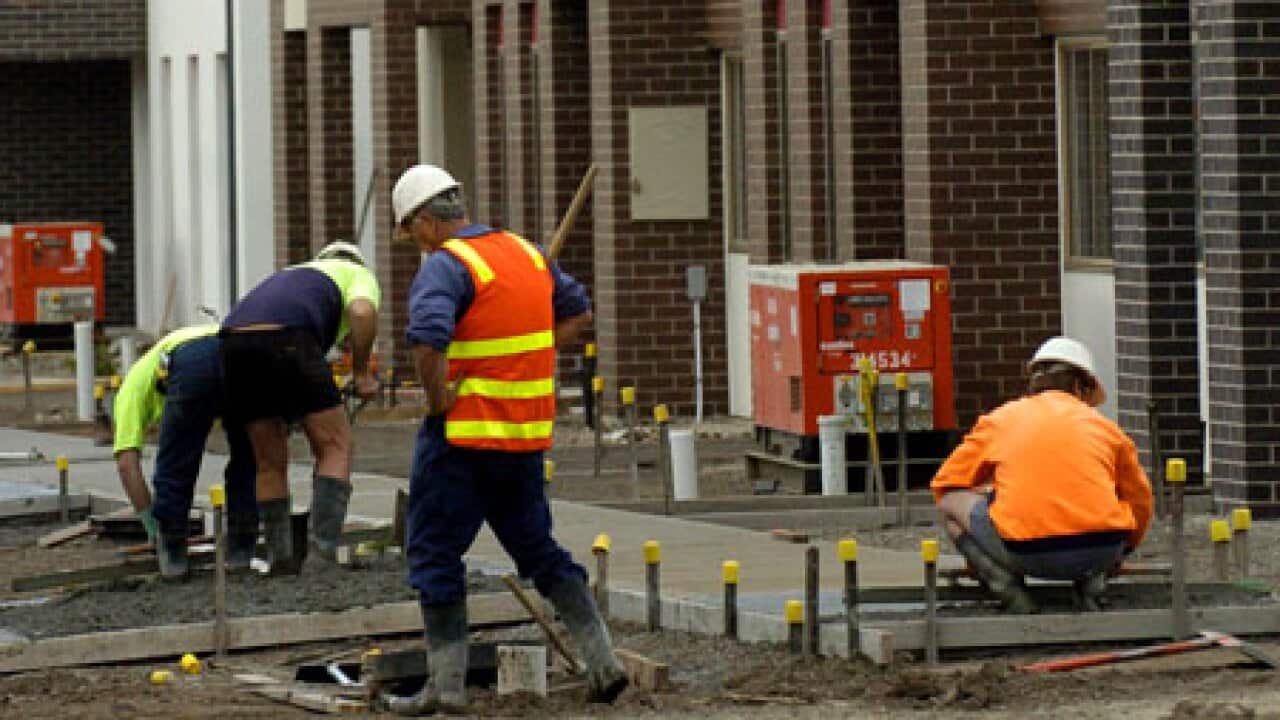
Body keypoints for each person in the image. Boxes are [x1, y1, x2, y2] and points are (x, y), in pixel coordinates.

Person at [385, 164, 625, 715]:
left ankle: (444, 688)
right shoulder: (525, 252)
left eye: (409, 232)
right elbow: (578, 314)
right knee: (538, 549)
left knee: (434, 552)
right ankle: (603, 662)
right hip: (523, 438)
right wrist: (527, 352)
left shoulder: (448, 266)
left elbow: (427, 340)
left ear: (425, 222)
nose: (413, 243)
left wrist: (439, 397)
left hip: (462, 439)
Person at [931, 337, 1153, 613]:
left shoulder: (1001, 421)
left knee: (951, 501)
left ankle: (1007, 589)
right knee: (1111, 505)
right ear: (1079, 387)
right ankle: (1091, 587)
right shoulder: (1107, 430)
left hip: (1026, 552)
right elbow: (1140, 502)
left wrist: (989, 499)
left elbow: (946, 482)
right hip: (1101, 551)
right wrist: (1122, 552)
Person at [219, 241, 381, 574]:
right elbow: (363, 313)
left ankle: (280, 560)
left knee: (268, 460)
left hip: (233, 341)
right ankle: (321, 557)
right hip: (291, 336)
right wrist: (362, 373)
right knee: (336, 446)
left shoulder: (294, 275)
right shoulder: (357, 273)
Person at [113, 325, 258, 579]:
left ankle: (173, 554)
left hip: (194, 359)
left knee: (177, 462)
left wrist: (151, 523)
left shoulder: (130, 392)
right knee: (249, 456)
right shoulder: (155, 370)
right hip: (244, 350)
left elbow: (127, 465)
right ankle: (242, 549)